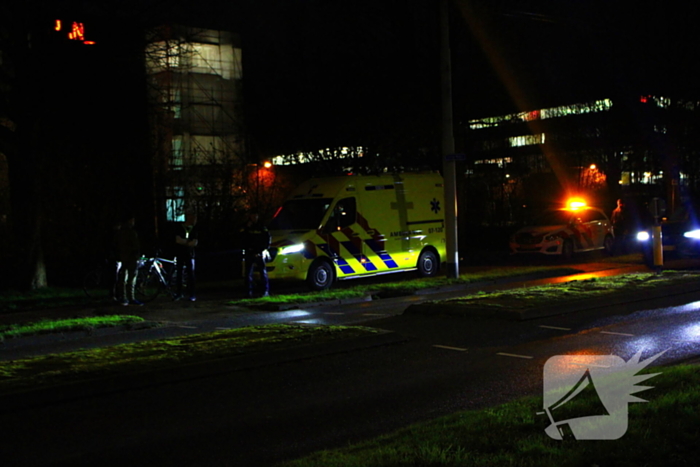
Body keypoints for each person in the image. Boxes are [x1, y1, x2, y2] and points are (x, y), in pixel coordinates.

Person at [116, 215, 144, 306]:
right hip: (131, 258)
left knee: (123, 278)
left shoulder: (120, 232)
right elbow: (136, 246)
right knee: (131, 279)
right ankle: (130, 297)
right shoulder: (131, 233)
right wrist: (136, 256)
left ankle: (123, 297)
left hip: (123, 257)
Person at [241, 213, 271, 298]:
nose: (254, 218)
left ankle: (265, 291)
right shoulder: (246, 227)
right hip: (249, 252)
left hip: (259, 252)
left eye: (255, 216)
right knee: (248, 273)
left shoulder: (261, 226)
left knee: (262, 272)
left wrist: (261, 250)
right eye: (252, 216)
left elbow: (267, 238)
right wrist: (246, 227)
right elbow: (242, 238)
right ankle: (248, 292)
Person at [174, 211, 198, 301]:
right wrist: (188, 243)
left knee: (191, 274)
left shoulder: (194, 229)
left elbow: (195, 242)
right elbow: (178, 240)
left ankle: (192, 294)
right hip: (181, 253)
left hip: (189, 254)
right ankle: (179, 293)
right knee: (179, 273)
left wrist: (185, 242)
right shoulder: (180, 228)